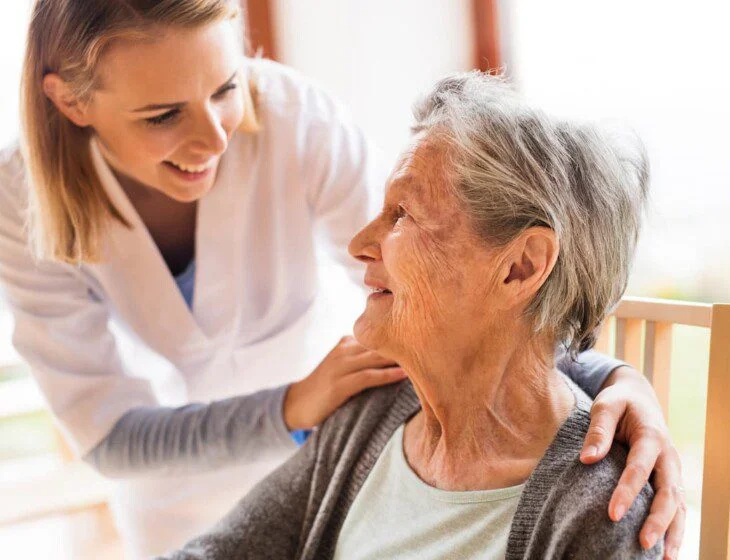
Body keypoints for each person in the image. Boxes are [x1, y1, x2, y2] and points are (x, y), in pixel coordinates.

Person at [0, 1, 683, 557]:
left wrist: (616, 379)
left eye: (227, 87)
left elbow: (472, 291)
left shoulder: (299, 124)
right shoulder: (18, 200)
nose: (213, 137)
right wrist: (293, 409)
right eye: (162, 115)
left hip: (341, 425)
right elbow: (113, 436)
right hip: (212, 488)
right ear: (72, 103)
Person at [162, 72, 664, 559]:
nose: (359, 244)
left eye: (402, 213)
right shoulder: (371, 410)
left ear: (519, 267)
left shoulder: (603, 510)